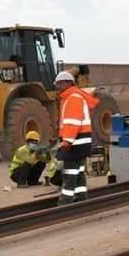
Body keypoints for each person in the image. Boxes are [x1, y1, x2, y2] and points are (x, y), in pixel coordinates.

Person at [55, 70, 98, 205]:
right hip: (81, 141)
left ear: (69, 83)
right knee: (78, 171)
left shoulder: (73, 97)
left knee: (69, 172)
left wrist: (67, 141)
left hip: (75, 142)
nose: (58, 86)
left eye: (60, 83)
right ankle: (81, 198)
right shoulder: (73, 96)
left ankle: (65, 202)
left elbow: (72, 122)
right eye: (57, 84)